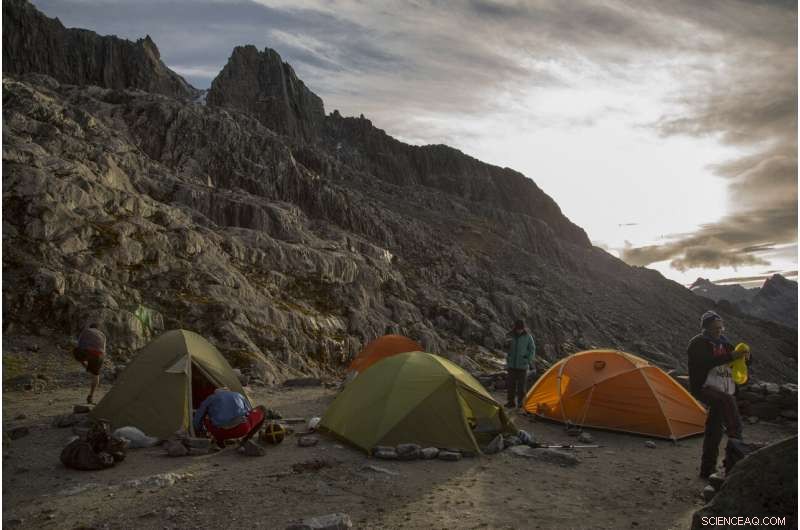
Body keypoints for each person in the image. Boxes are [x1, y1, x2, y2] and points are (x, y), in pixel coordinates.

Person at [687, 310, 750, 478]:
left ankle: (707, 470)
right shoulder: (698, 343)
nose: (719, 331)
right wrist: (730, 355)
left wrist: (746, 357)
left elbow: (736, 359)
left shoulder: (724, 343)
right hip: (704, 387)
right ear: (706, 328)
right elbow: (706, 362)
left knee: (714, 430)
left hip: (721, 387)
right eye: (715, 328)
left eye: (721, 328)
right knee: (727, 401)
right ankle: (737, 439)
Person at [193, 388, 266, 447]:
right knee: (262, 409)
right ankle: (246, 440)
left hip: (219, 432)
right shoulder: (238, 395)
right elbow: (248, 411)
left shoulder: (210, 398)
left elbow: (199, 415)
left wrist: (197, 430)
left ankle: (220, 442)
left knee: (206, 418)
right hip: (242, 429)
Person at [505, 319, 536, 408]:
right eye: (518, 328)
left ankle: (521, 404)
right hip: (511, 365)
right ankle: (510, 402)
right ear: (515, 328)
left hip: (522, 366)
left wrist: (528, 360)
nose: (519, 330)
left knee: (521, 387)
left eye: (521, 329)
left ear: (523, 328)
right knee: (511, 385)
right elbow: (505, 348)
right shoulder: (510, 335)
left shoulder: (528, 336)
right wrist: (506, 348)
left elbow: (532, 349)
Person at [73, 323, 106, 404]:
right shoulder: (103, 335)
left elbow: (79, 343)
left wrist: (82, 357)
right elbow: (104, 350)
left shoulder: (86, 331)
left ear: (91, 327)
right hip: (99, 355)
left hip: (87, 353)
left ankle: (86, 366)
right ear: (98, 329)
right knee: (96, 375)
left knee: (76, 351)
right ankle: (91, 396)